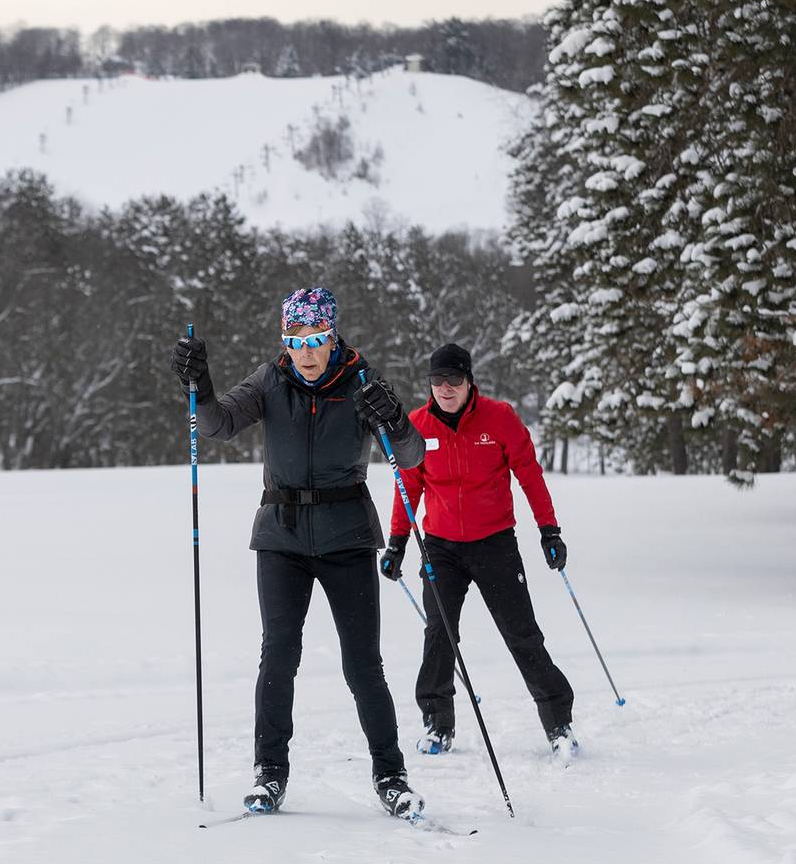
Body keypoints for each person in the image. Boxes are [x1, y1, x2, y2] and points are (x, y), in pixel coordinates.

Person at [170, 287, 427, 817]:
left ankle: (391, 775)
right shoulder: (270, 380)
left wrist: (396, 419)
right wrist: (200, 384)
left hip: (347, 536)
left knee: (363, 665)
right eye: (296, 342)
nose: (307, 353)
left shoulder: (361, 380)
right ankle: (270, 773)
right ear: (285, 344)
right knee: (279, 656)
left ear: (332, 338)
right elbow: (217, 424)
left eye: (316, 340)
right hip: (282, 537)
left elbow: (411, 454)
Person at [378, 343, 579, 761]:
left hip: (495, 543)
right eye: (437, 380)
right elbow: (407, 489)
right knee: (440, 635)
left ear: (470, 381)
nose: (445, 388)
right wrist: (397, 542)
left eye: (454, 379)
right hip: (442, 547)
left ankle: (559, 722)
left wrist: (549, 531)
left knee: (521, 633)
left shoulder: (500, 418)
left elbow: (530, 476)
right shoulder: (417, 426)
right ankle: (437, 723)